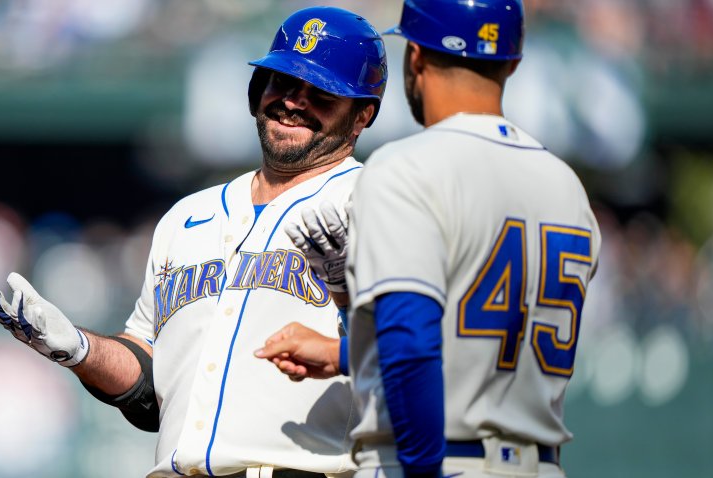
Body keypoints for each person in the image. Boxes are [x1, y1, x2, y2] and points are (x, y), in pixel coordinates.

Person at [0, 6, 387, 478]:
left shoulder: (378, 205)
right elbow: (150, 391)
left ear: (361, 116)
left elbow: (415, 357)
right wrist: (81, 350)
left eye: (321, 94)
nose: (294, 102)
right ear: (258, 91)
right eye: (284, 83)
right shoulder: (188, 216)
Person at [255, 1, 602, 477]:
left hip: (434, 460)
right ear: (512, 63)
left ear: (415, 56)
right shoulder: (566, 186)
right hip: (538, 463)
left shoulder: (407, 167)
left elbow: (410, 344)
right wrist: (343, 354)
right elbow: (477, 341)